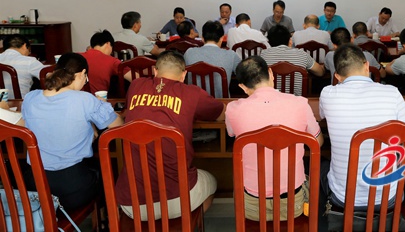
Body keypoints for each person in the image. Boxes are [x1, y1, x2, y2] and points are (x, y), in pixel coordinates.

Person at [115, 51, 224, 220]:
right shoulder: (192, 93)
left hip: (132, 204)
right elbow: (220, 114)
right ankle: (184, 224)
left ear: (155, 71)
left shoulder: (136, 86)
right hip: (177, 198)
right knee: (213, 180)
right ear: (184, 75)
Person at [225, 56, 323, 221]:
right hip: (292, 202)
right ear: (271, 73)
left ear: (242, 86)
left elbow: (231, 133)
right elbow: (317, 143)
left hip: (252, 205)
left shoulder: (232, 109)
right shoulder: (300, 104)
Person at [22, 53, 123, 209]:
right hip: (73, 188)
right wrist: (103, 106)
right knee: (104, 171)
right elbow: (118, 126)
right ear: (82, 73)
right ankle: (106, 215)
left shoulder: (30, 98)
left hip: (36, 187)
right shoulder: (85, 99)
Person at [319, 44, 405, 208]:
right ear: (367, 66)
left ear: (337, 76)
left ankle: (327, 215)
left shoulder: (327, 93)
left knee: (320, 166)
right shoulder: (392, 92)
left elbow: (322, 117)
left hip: (343, 198)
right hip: (388, 197)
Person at [260, 25, 325, 95]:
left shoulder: (263, 55)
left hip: (271, 100)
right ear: (289, 40)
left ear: (269, 42)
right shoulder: (302, 54)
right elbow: (320, 72)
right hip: (297, 100)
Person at [184, 21, 241, 98]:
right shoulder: (231, 55)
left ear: (202, 38)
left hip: (194, 102)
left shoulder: (189, 53)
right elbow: (243, 75)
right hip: (221, 103)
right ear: (222, 38)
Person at [81, 29, 132, 94]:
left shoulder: (76, 57)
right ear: (108, 43)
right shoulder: (112, 61)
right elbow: (135, 78)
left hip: (75, 98)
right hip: (99, 99)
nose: (111, 52)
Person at [0, 34, 45, 99]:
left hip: (1, 103)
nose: (28, 53)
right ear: (24, 46)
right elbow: (48, 74)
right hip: (21, 103)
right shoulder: (29, 61)